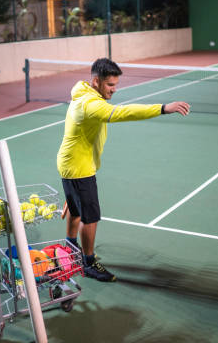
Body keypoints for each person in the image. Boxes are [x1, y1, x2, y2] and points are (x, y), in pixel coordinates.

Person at [57, 58, 190, 282]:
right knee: (90, 217)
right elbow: (123, 112)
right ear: (96, 81)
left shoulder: (82, 91)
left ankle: (70, 248)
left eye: (115, 85)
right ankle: (88, 263)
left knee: (75, 208)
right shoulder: (90, 104)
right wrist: (163, 108)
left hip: (70, 163)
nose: (114, 89)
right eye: (110, 85)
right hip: (79, 167)